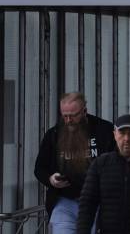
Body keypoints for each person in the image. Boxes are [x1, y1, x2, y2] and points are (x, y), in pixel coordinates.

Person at [34, 92, 115, 234]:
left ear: (84, 111)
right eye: (64, 115)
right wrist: (51, 179)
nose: (68, 120)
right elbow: (40, 168)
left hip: (99, 204)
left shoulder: (105, 130)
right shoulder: (54, 134)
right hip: (65, 202)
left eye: (73, 115)